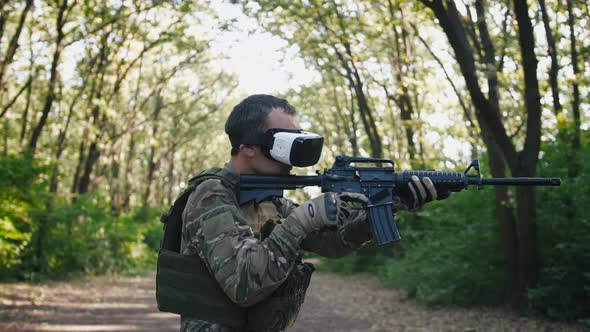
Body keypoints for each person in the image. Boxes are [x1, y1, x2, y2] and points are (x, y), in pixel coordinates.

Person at [179, 94, 438, 332]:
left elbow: (335, 243)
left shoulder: (270, 201)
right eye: (284, 142)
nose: (293, 157)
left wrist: (389, 204)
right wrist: (303, 219)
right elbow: (244, 283)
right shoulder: (211, 195)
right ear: (248, 146)